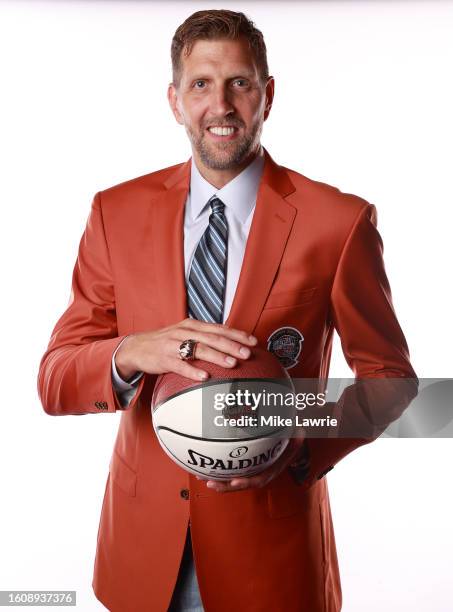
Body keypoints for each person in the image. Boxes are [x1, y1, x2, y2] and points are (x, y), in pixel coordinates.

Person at [37, 9, 417, 612]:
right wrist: (130, 351)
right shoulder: (116, 213)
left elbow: (391, 381)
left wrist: (296, 445)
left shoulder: (338, 223)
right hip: (141, 553)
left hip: (273, 554)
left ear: (267, 94)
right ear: (174, 99)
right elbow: (54, 380)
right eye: (200, 84)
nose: (221, 105)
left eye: (239, 83)